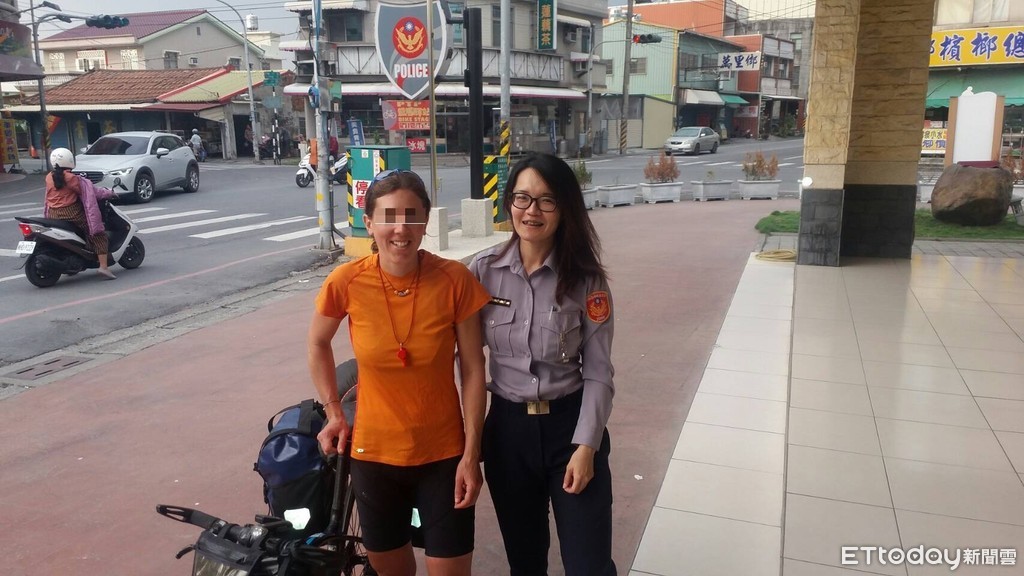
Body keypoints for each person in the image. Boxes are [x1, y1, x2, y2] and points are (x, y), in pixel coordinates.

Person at [308, 169, 490, 576]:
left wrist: (471, 452)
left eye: (411, 215)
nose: (400, 228)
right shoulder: (347, 281)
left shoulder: (455, 280)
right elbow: (317, 343)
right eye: (389, 216)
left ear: (425, 221)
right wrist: (334, 412)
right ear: (369, 223)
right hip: (373, 456)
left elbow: (474, 370)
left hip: (444, 455)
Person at [468, 152, 616, 576]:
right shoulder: (481, 272)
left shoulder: (586, 280)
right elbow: (467, 361)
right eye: (523, 198)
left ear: (565, 208)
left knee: (588, 565)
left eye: (547, 200)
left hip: (570, 429)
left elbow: (599, 371)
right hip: (508, 435)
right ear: (509, 203)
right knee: (526, 561)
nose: (532, 211)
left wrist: (586, 447)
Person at [43, 148, 117, 279]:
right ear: (70, 160)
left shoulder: (49, 177)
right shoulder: (72, 178)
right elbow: (93, 192)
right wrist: (110, 193)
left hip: (53, 213)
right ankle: (103, 267)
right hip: (71, 213)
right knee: (98, 234)